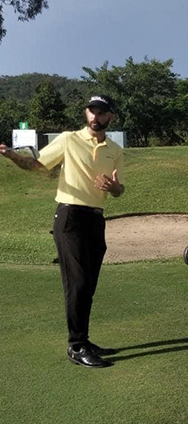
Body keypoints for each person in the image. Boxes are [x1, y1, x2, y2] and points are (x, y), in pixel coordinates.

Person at [0, 95, 124, 367]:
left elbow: (119, 189)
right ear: (86, 113)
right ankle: (76, 346)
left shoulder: (114, 150)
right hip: (69, 217)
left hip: (96, 218)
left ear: (110, 117)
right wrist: (12, 156)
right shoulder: (69, 139)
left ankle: (84, 339)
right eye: (91, 111)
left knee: (88, 284)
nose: (95, 117)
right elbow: (37, 165)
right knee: (77, 282)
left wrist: (113, 187)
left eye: (101, 112)